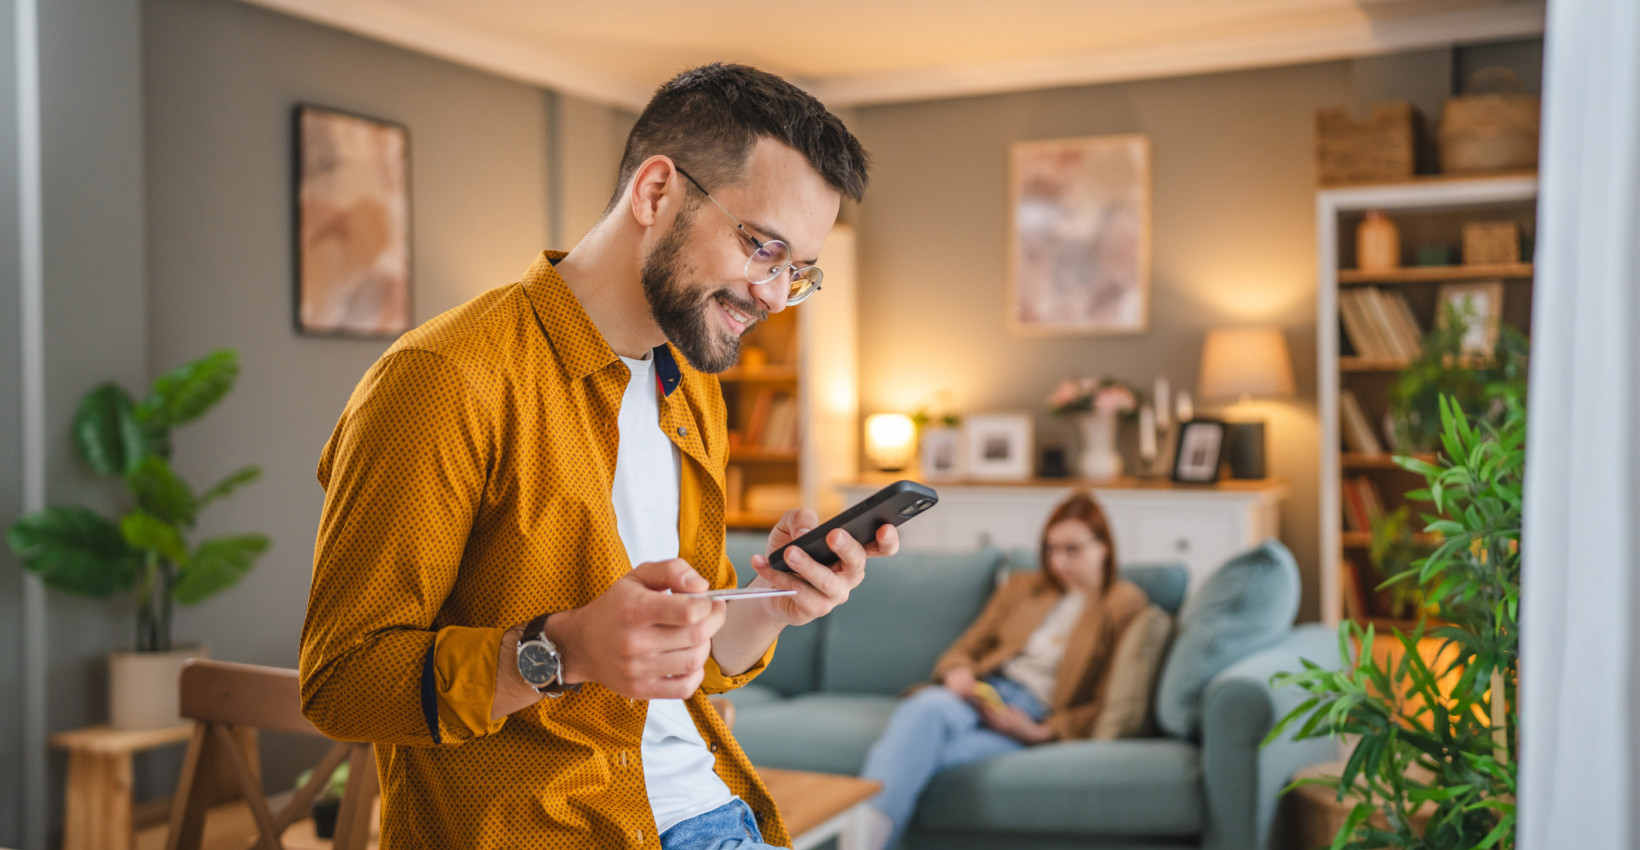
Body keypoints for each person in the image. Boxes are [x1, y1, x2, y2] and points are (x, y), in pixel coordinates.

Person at [297, 63, 892, 850]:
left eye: (797, 271)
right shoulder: (444, 381)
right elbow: (342, 683)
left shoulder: (693, 387)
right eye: (762, 248)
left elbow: (689, 661)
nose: (776, 296)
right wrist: (565, 650)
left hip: (712, 814)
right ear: (655, 193)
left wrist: (770, 607)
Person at [858, 491, 1147, 849]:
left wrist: (1040, 733)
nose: (1058, 562)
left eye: (1072, 549)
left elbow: (1106, 699)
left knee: (921, 756)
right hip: (980, 692)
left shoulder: (1122, 604)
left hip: (1026, 716)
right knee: (926, 708)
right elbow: (966, 648)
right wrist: (957, 673)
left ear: (1103, 546)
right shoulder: (1023, 587)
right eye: (1051, 549)